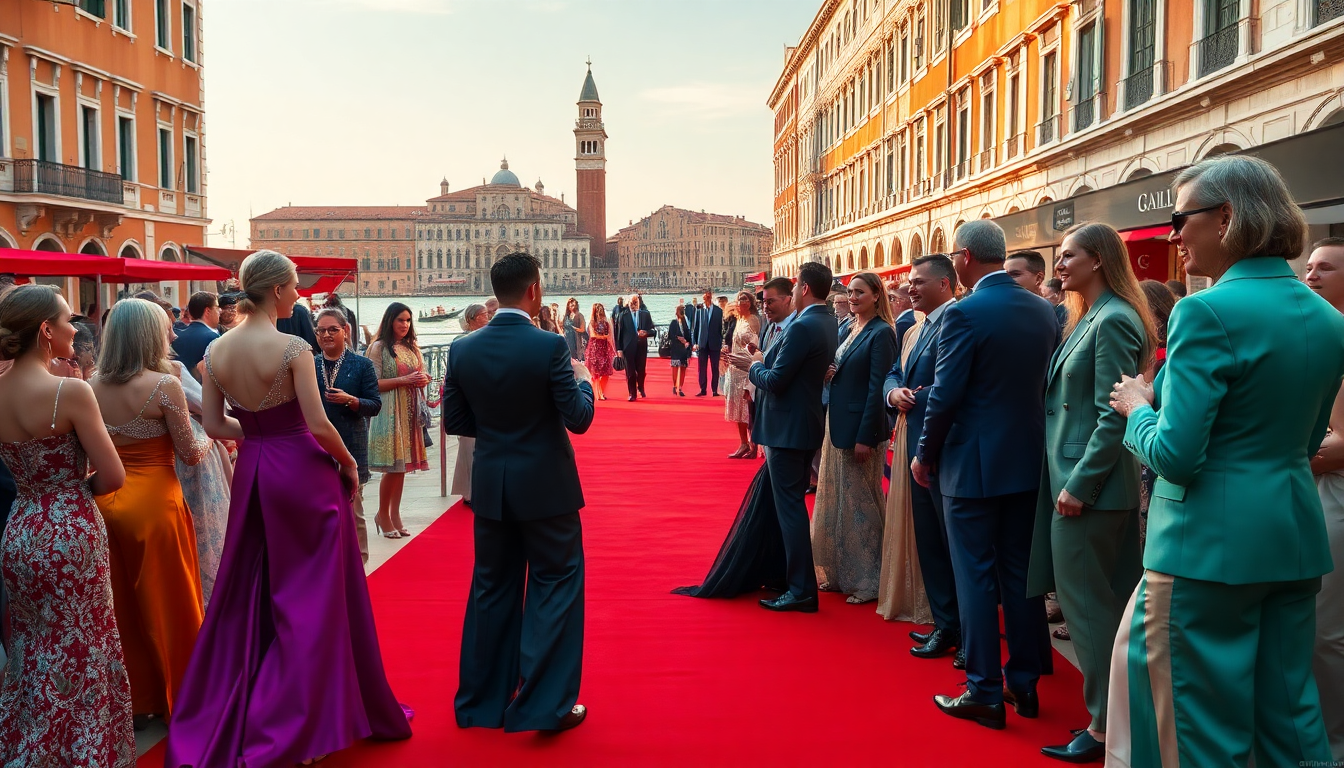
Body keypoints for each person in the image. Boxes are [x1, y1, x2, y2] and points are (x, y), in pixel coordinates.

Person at [1106, 156, 1344, 767]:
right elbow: (1308, 435)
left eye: (1182, 218)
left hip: (1203, 545)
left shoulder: (1204, 311)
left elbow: (1175, 457)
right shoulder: (1326, 317)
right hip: (1291, 532)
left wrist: (1137, 407)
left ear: (1227, 217)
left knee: (1196, 728)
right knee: (1289, 718)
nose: (1173, 235)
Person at [166, 250, 411, 766]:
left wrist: (257, 436)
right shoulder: (294, 346)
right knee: (313, 600)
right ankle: (305, 723)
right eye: (295, 285)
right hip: (303, 471)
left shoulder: (214, 353)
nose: (300, 293)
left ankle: (266, 705)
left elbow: (213, 426)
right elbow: (320, 424)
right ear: (276, 290)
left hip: (255, 471)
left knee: (254, 592)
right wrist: (347, 464)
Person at [442, 252, 595, 733]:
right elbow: (579, 418)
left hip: (492, 485)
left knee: (491, 589)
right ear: (533, 290)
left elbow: (457, 421)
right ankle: (544, 705)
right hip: (546, 487)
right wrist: (585, 382)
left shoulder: (463, 349)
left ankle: (482, 703)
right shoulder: (549, 347)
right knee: (555, 587)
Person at [917, 220, 1059, 730]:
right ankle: (1023, 680)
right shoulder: (1042, 310)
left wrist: (923, 454)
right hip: (1025, 458)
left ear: (963, 258)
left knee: (974, 575)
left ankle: (983, 689)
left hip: (970, 463)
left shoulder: (965, 313)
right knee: (1019, 577)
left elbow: (945, 394)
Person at [1023, 223, 1154, 762]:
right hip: (1084, 482)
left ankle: (1103, 729)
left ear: (1098, 259)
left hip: (1088, 488)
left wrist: (1079, 485)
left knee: (1089, 613)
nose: (1058, 264)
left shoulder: (1115, 318)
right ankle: (1122, 721)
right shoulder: (1094, 316)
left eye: (1068, 255)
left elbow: (1113, 411)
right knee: (1112, 610)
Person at [0, 285, 132, 766]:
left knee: (31, 645)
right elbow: (113, 474)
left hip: (20, 529)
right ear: (44, 331)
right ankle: (86, 753)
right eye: (65, 319)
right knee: (85, 640)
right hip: (71, 529)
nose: (74, 328)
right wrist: (76, 493)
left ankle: (33, 748)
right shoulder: (70, 391)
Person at [91, 299, 211, 725]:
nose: (173, 334)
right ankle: (182, 692)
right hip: (157, 504)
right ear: (147, 335)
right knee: (171, 603)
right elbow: (191, 453)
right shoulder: (164, 384)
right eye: (165, 328)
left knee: (121, 606)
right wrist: (212, 436)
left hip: (105, 503)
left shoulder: (90, 384)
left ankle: (137, 698)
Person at [727, 265, 838, 613]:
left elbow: (775, 380)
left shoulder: (804, 325)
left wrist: (755, 363)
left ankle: (801, 588)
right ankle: (790, 579)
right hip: (802, 424)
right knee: (789, 508)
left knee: (789, 510)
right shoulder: (827, 320)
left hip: (787, 428)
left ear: (803, 289)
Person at [883, 255, 961, 651]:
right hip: (915, 441)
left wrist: (917, 396)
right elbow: (895, 372)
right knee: (929, 539)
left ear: (946, 284)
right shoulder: (914, 328)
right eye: (909, 282)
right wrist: (893, 392)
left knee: (952, 544)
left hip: (945, 446)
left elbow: (957, 387)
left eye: (919, 281)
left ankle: (966, 633)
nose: (909, 288)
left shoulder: (957, 319)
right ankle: (945, 625)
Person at [811, 272, 896, 605]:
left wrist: (866, 436)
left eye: (860, 292)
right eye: (850, 291)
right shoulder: (851, 328)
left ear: (877, 295)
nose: (854, 296)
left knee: (862, 503)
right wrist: (831, 374)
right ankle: (840, 570)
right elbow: (847, 370)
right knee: (840, 501)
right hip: (838, 423)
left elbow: (877, 388)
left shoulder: (882, 332)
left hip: (862, 431)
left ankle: (869, 579)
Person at [1309, 237, 1344, 761]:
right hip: (1311, 491)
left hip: (1332, 496)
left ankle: (1330, 743)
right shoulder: (1316, 333)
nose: (1310, 275)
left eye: (1325, 268)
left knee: (1324, 630)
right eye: (1308, 266)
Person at [315, 307, 382, 564]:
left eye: (333, 329)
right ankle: (328, 565)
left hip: (351, 444)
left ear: (346, 331)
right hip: (317, 448)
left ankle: (360, 564)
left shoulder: (362, 364)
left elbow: (374, 405)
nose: (327, 335)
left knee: (354, 509)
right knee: (320, 511)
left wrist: (350, 400)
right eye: (321, 330)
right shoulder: (310, 365)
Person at [367, 302, 430, 539]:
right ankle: (383, 514)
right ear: (390, 320)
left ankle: (395, 514)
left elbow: (418, 375)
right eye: (400, 320)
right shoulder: (378, 347)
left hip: (410, 411)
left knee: (402, 467)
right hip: (389, 412)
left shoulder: (411, 347)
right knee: (393, 467)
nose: (405, 325)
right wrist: (406, 381)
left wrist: (423, 379)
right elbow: (372, 384)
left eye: (408, 320)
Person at [450, 304, 489, 506]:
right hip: (468, 399)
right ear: (472, 318)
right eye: (484, 315)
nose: (488, 317)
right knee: (468, 447)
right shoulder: (461, 341)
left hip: (483, 398)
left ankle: (475, 490)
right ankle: (469, 492)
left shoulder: (489, 338)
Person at [723, 291, 761, 458]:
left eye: (745, 298)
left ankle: (754, 444)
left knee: (748, 407)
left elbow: (756, 344)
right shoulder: (738, 319)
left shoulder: (753, 320)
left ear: (750, 302)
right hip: (734, 368)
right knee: (737, 408)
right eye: (739, 299)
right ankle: (743, 443)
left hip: (746, 368)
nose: (741, 301)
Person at [1007, 250, 1068, 329]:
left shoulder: (1058, 315)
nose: (1006, 280)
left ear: (1039, 278)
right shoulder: (1002, 312)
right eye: (1005, 275)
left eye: (1015, 274)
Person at [614, 294, 655, 402]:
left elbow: (653, 330)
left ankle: (640, 387)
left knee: (641, 371)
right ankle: (632, 393)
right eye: (631, 303)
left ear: (639, 303)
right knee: (630, 372)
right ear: (628, 303)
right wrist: (619, 349)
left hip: (641, 346)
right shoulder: (623, 315)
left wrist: (646, 333)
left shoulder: (645, 315)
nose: (633, 305)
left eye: (635, 302)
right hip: (628, 347)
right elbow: (618, 333)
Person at [170, 291, 220, 379]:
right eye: (217, 307)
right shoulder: (212, 338)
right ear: (207, 311)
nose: (220, 310)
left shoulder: (177, 336)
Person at [693, 288, 724, 397]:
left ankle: (714, 390)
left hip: (714, 343)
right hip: (702, 343)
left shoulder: (718, 311)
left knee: (715, 368)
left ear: (711, 296)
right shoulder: (699, 310)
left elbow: (721, 329)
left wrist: (721, 341)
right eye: (705, 296)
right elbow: (696, 327)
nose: (706, 297)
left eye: (708, 295)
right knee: (702, 368)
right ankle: (703, 389)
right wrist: (695, 342)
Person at [585, 303, 614, 401]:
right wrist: (604, 337)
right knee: (596, 374)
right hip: (594, 349)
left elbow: (610, 334)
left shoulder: (606, 322)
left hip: (604, 348)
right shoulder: (592, 323)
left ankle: (601, 392)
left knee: (606, 373)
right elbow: (593, 335)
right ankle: (598, 393)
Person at [667, 304, 693, 396]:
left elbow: (689, 335)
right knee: (675, 368)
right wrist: (679, 339)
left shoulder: (686, 322)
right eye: (680, 311)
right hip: (676, 349)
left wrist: (688, 342)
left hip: (684, 350)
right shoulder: (673, 323)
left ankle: (680, 387)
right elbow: (670, 335)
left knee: (683, 368)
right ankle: (674, 386)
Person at [563, 297, 587, 362]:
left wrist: (573, 328)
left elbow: (583, 329)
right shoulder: (566, 316)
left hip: (576, 339)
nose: (571, 306)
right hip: (567, 339)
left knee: (575, 358)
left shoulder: (579, 315)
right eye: (570, 305)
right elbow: (562, 327)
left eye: (573, 305)